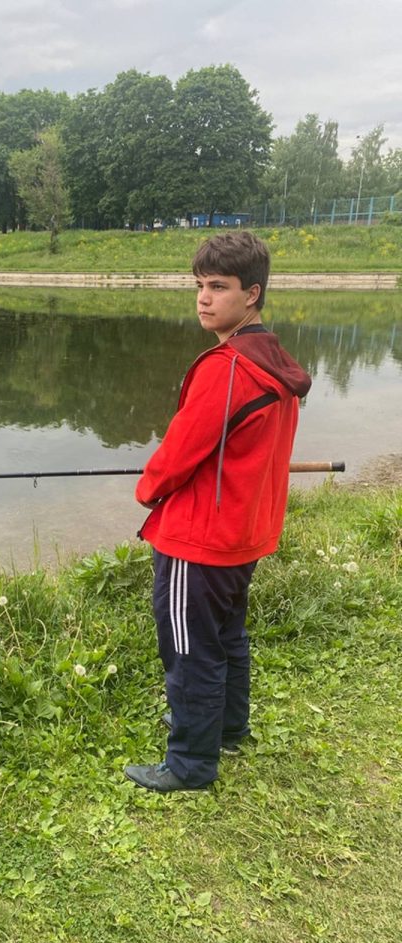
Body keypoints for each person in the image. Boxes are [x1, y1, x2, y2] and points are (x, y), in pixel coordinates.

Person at [124, 231, 311, 793]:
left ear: (251, 294)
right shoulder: (274, 361)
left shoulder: (225, 368)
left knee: (188, 649)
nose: (203, 298)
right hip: (245, 532)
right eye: (199, 285)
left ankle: (189, 764)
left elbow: (176, 455)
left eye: (218, 287)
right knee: (227, 637)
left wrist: (147, 490)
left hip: (198, 540)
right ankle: (227, 728)